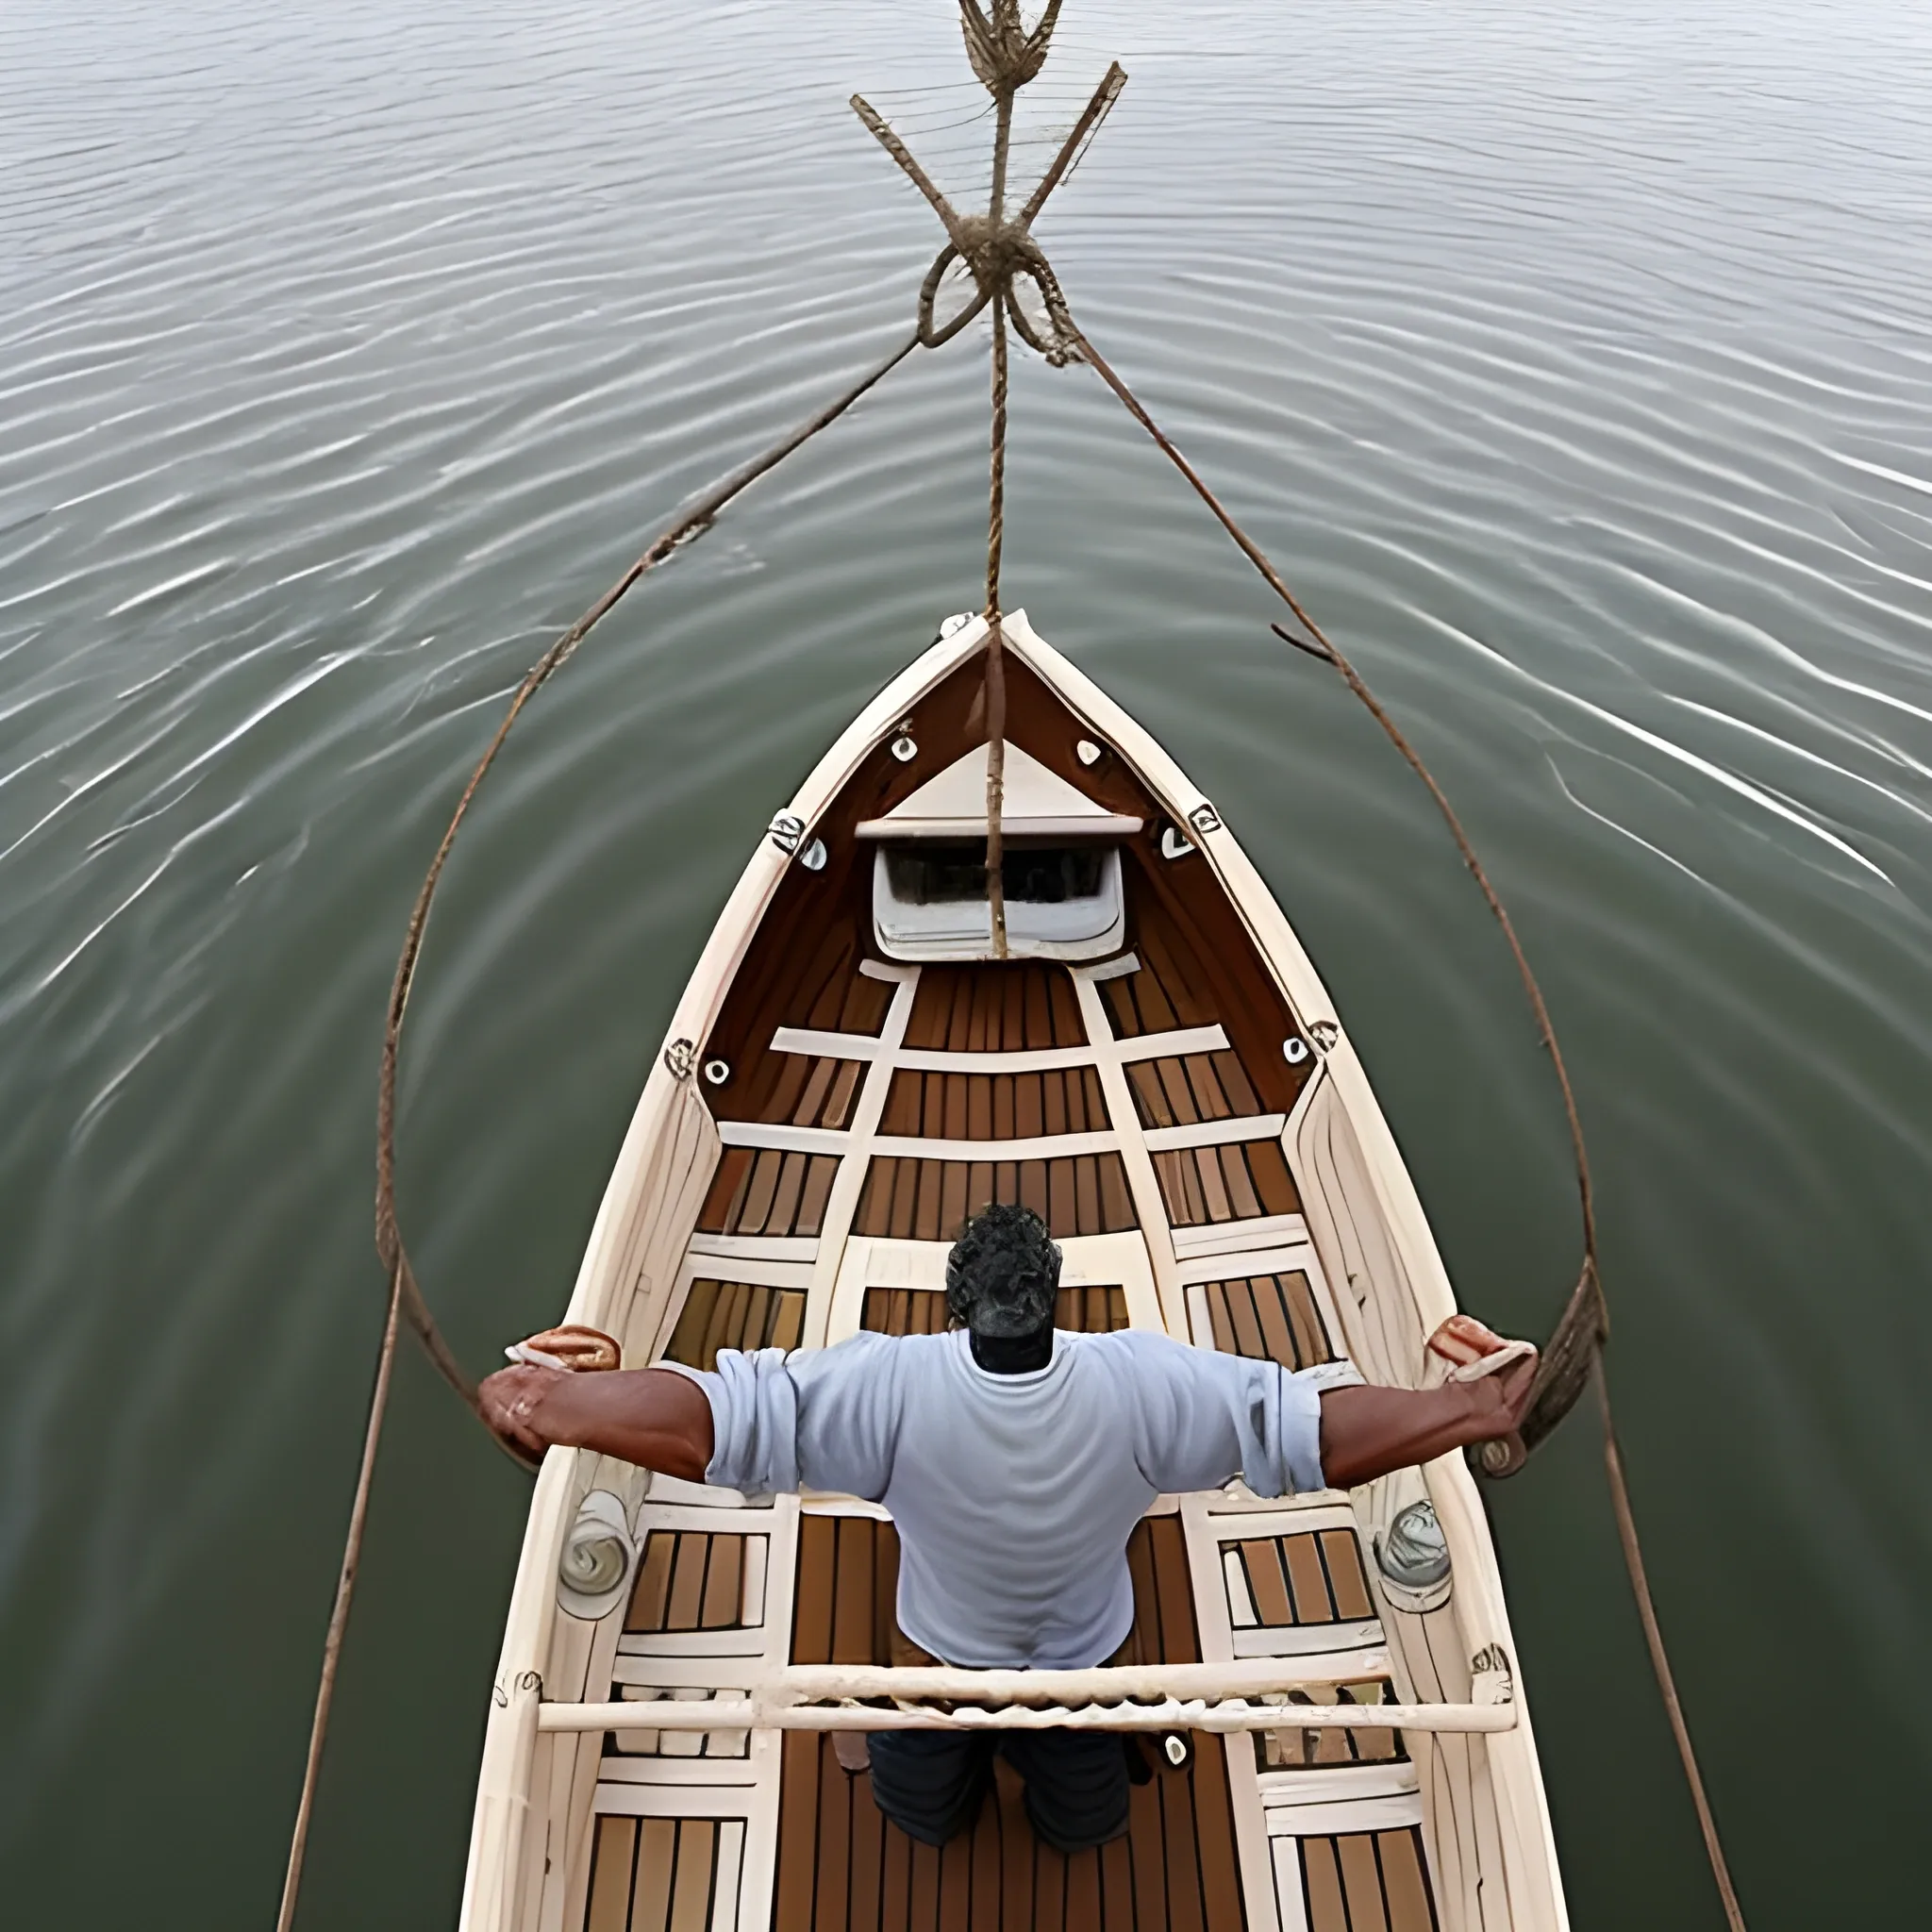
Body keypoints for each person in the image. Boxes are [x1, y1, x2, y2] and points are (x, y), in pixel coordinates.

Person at [482, 1203, 1536, 1855]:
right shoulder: (1139, 1381)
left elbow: (719, 1418)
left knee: (918, 1811)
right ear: (1056, 1301)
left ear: (951, 1305)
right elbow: (1304, 1428)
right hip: (1083, 1673)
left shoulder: (886, 1385)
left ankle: (921, 1787)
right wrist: (1468, 1407)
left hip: (940, 1664)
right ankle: (1060, 1807)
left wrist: (553, 1401)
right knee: (1085, 1826)